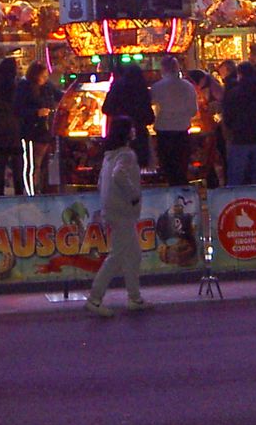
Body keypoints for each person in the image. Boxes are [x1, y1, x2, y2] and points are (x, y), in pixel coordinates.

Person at [85, 115, 150, 317]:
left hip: (111, 210)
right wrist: (134, 195)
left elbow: (101, 182)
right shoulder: (126, 155)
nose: (134, 131)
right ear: (126, 132)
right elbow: (119, 175)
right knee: (117, 256)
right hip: (123, 212)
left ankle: (135, 297)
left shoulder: (108, 156)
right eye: (131, 128)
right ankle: (95, 298)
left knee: (133, 254)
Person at [149, 54, 199, 187]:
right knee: (181, 169)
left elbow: (149, 106)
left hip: (164, 133)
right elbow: (193, 111)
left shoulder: (157, 87)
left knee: (168, 170)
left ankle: (170, 194)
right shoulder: (188, 87)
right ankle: (182, 194)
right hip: (182, 133)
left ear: (163, 69)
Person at [223, 61, 256, 185]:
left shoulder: (233, 94)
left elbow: (228, 117)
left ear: (240, 74)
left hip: (239, 138)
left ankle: (237, 197)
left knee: (237, 177)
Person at [12, 61, 56, 195]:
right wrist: (36, 112)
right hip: (30, 131)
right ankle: (31, 193)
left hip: (44, 132)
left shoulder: (47, 87)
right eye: (43, 75)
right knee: (31, 165)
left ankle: (41, 190)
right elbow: (18, 110)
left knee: (43, 165)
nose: (45, 78)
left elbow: (59, 95)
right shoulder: (24, 87)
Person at [103, 61, 154, 165]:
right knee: (138, 165)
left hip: (119, 135)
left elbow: (106, 108)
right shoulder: (142, 89)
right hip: (139, 135)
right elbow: (149, 117)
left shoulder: (117, 86)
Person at [0, 56, 23, 196]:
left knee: (1, 160)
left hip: (1, 126)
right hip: (15, 126)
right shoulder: (16, 84)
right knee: (17, 161)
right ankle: (19, 189)